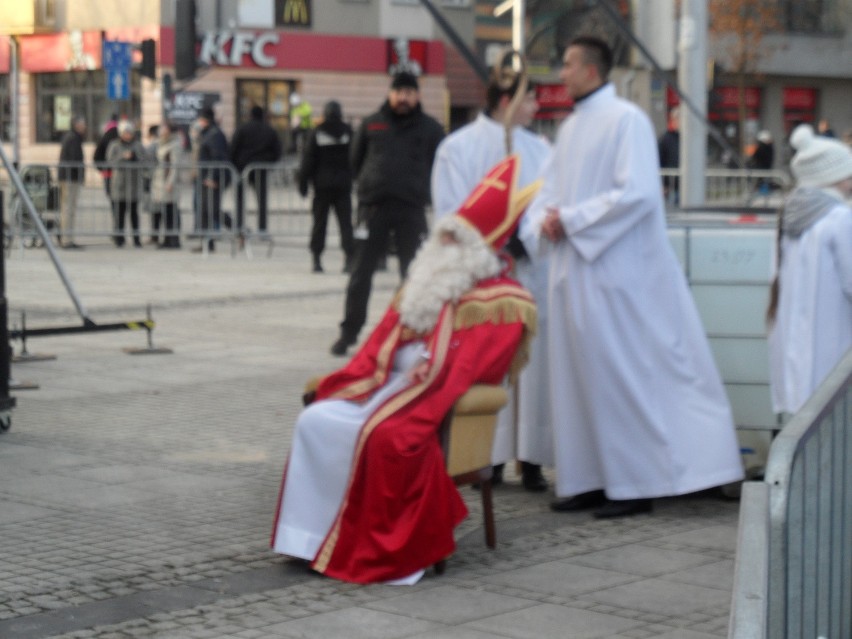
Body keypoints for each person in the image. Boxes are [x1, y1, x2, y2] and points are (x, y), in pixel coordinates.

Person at [271, 156, 539, 584]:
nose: (443, 246)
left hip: (430, 399)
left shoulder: (503, 302)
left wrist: (430, 369)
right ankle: (306, 539)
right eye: (444, 236)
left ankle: (367, 548)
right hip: (383, 387)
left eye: (454, 240)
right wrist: (370, 374)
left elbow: (477, 366)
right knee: (315, 420)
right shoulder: (426, 284)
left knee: (386, 439)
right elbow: (379, 343)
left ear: (476, 251)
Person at [522, 35, 744, 519]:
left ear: (592, 70)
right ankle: (588, 478)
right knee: (576, 380)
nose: (560, 74)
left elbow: (639, 194)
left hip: (618, 274)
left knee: (619, 376)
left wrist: (572, 220)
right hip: (572, 272)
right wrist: (545, 219)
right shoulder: (571, 127)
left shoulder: (628, 121)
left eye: (567, 64)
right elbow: (546, 193)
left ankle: (634, 482)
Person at [431, 59, 551, 492]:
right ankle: (489, 454)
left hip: (529, 271)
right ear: (508, 100)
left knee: (533, 364)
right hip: (482, 276)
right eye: (531, 97)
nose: (537, 105)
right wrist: (491, 246)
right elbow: (452, 209)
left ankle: (532, 456)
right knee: (489, 363)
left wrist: (526, 240)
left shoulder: (540, 149)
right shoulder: (457, 148)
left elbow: (547, 200)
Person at [329, 72, 444, 356]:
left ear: (417, 96)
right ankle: (349, 332)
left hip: (411, 210)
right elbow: (355, 162)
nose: (403, 97)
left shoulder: (431, 129)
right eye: (398, 92)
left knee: (415, 274)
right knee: (360, 273)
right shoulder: (372, 124)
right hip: (374, 209)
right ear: (390, 93)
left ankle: (413, 333)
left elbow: (441, 166)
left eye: (409, 92)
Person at [767, 123, 852, 416]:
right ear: (835, 177)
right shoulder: (840, 218)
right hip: (833, 351)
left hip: (798, 359)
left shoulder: (792, 216)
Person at [298, 100, 355, 274]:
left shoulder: (317, 133)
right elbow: (357, 158)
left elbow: (308, 160)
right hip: (343, 186)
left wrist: (303, 183)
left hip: (322, 186)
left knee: (319, 224)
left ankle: (317, 259)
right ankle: (349, 259)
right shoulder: (348, 132)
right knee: (346, 224)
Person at [230, 105, 283, 236]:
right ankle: (262, 228)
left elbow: (232, 149)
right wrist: (268, 163)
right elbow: (277, 152)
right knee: (262, 201)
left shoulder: (242, 129)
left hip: (242, 168)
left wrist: (235, 165)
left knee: (240, 200)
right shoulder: (269, 130)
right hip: (261, 169)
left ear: (250, 115)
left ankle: (239, 227)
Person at [194, 106, 231, 252]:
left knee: (213, 210)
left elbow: (218, 158)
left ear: (205, 120)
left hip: (213, 180)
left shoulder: (214, 135)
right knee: (204, 210)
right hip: (206, 179)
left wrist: (213, 177)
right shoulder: (207, 133)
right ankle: (206, 243)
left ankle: (240, 230)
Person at [106, 120, 146, 247]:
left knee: (134, 213)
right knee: (119, 214)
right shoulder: (115, 145)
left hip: (133, 185)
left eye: (130, 132)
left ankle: (136, 238)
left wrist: (134, 157)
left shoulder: (138, 146)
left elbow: (144, 160)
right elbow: (110, 161)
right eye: (125, 133)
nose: (128, 135)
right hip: (120, 185)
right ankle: (119, 238)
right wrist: (123, 157)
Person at [149, 121, 183, 249]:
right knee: (166, 212)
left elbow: (175, 166)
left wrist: (170, 182)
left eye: (163, 128)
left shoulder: (174, 145)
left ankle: (173, 239)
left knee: (171, 212)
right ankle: (167, 239)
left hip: (168, 183)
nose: (161, 131)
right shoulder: (161, 143)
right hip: (160, 182)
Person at [57, 114, 87, 249]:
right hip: (70, 178)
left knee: (69, 208)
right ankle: (66, 239)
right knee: (68, 209)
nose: (85, 126)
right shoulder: (73, 138)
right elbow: (75, 159)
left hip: (70, 177)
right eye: (82, 124)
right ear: (77, 125)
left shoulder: (73, 137)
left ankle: (67, 237)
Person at [93, 113, 119, 207]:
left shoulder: (104, 137)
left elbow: (97, 156)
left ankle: (115, 215)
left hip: (108, 172)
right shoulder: (121, 137)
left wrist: (101, 168)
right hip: (121, 172)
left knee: (111, 196)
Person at [657, 106, 680, 206]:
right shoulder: (666, 139)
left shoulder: (687, 139)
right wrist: (663, 185)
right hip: (670, 185)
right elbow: (659, 160)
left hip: (684, 186)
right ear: (673, 120)